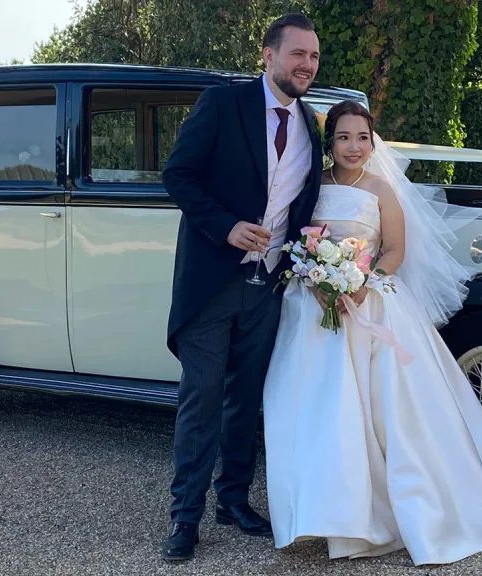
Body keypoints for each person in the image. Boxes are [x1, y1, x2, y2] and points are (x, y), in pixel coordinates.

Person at [261, 100, 482, 566]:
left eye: (362, 138)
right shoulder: (313, 186)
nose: (354, 146)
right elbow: (300, 240)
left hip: (371, 305)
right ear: (331, 144)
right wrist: (317, 278)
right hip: (313, 306)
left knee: (386, 411)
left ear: (373, 143)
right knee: (315, 407)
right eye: (344, 137)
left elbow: (393, 251)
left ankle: (398, 511)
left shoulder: (384, 190)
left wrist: (361, 282)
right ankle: (324, 509)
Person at [159, 13, 324, 562]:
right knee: (201, 398)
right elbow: (177, 175)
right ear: (268, 54)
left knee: (245, 399)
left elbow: (300, 205)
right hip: (213, 282)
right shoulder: (223, 103)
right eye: (297, 53)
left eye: (314, 56)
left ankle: (232, 499)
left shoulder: (310, 129)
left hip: (267, 287)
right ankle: (185, 516)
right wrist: (226, 226)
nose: (306, 65)